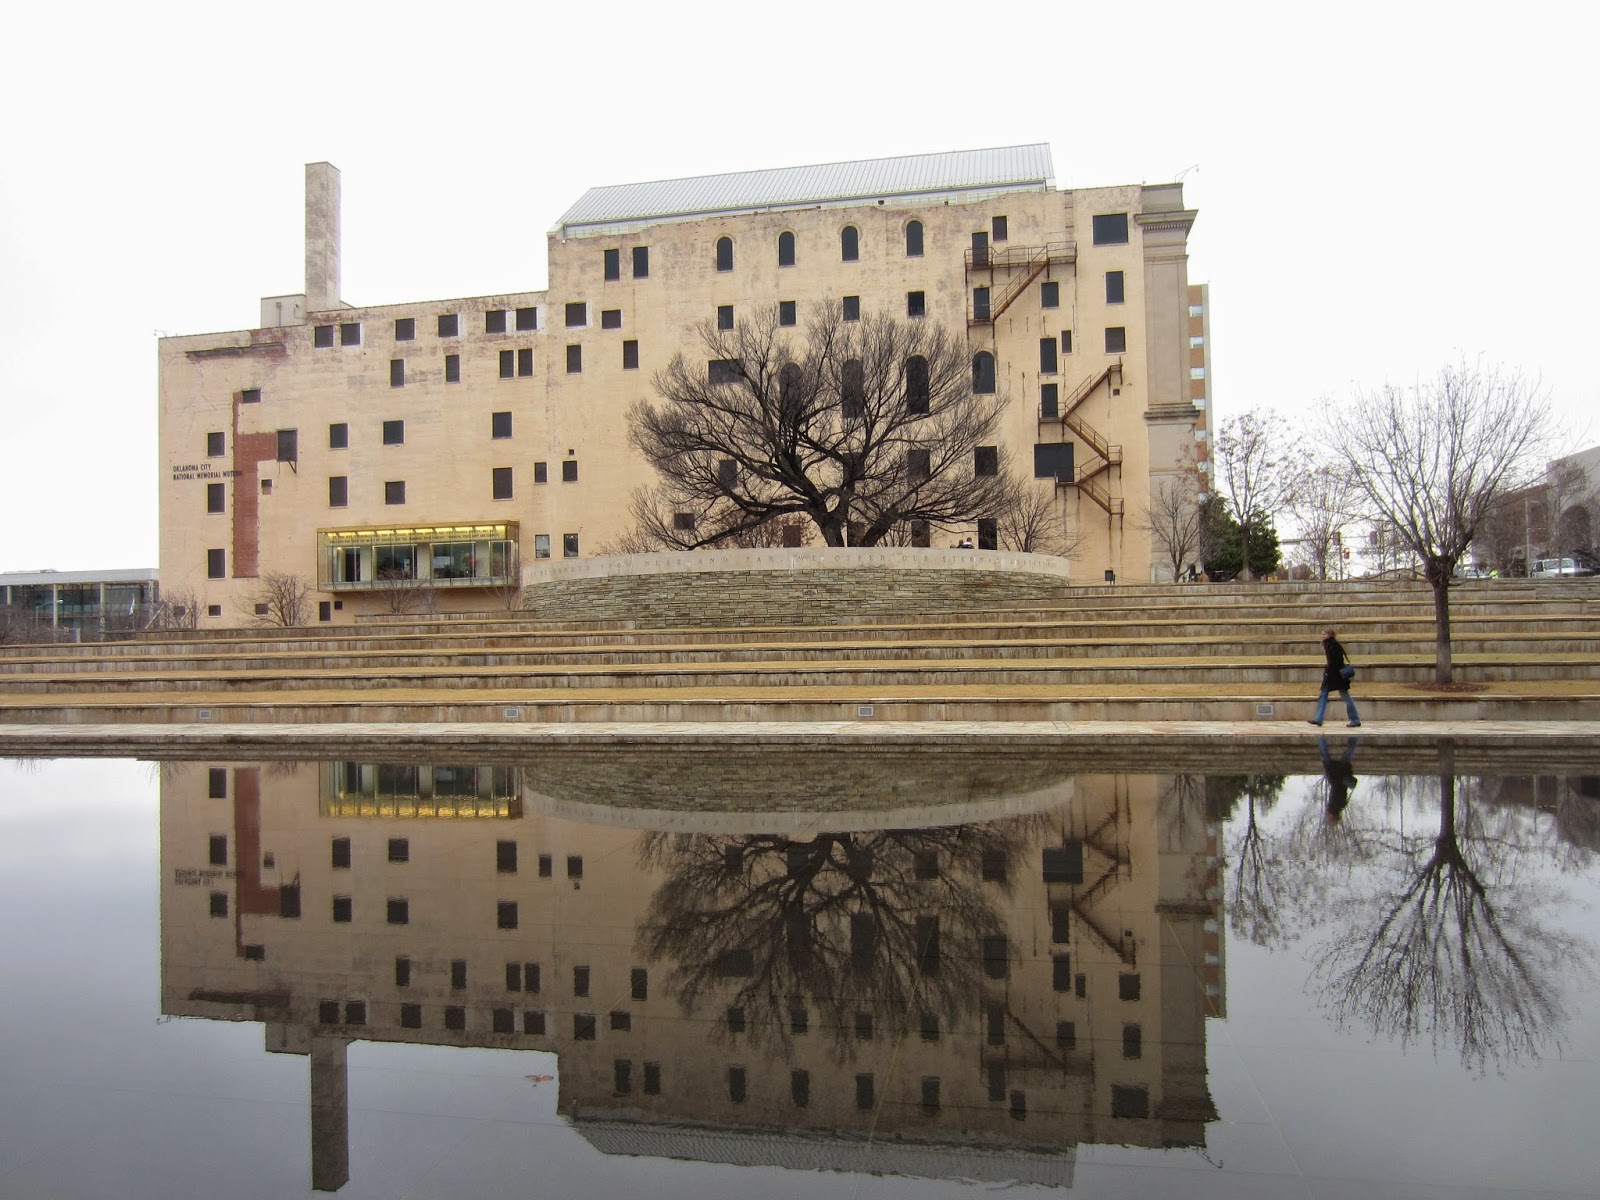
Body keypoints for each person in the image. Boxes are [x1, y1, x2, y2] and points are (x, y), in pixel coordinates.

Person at [1308, 627, 1361, 727]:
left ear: (1329, 635)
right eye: (1322, 634)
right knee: (1329, 695)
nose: (1322, 636)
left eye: (1324, 634)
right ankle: (1319, 718)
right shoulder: (1333, 644)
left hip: (1335, 675)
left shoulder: (1330, 644)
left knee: (1341, 696)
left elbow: (1334, 662)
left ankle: (1355, 719)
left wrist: (1329, 673)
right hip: (1337, 675)